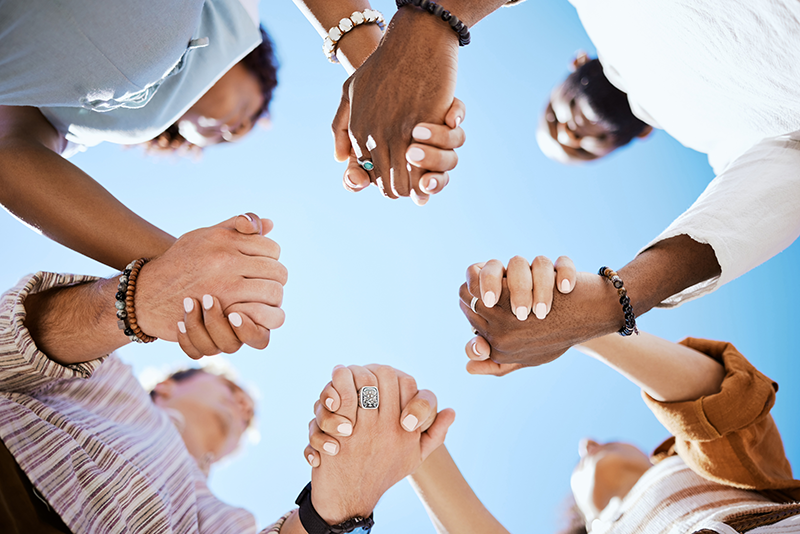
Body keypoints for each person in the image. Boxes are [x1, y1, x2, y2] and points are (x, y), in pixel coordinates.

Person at [316, 0, 800, 366]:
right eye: (581, 146)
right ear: (640, 136)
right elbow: (776, 193)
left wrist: (431, 21)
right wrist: (616, 300)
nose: (571, 130)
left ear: (574, 65)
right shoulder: (721, 138)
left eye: (555, 116)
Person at [0, 212, 453, 533]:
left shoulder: (227, 521)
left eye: (248, 413)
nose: (243, 404)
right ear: (164, 386)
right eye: (228, 386)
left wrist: (342, 507)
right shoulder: (100, 369)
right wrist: (138, 301)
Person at [312, 257, 800, 533]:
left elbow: (725, 404)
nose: (586, 442)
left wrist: (581, 327)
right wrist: (408, 444)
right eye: (590, 450)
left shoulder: (702, 468)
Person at [0, 0, 464, 273]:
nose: (232, 129)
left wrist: (188, 265)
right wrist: (371, 63)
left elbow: (10, 153)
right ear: (250, 60)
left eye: (225, 139)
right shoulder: (233, 13)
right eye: (247, 112)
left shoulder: (90, 127)